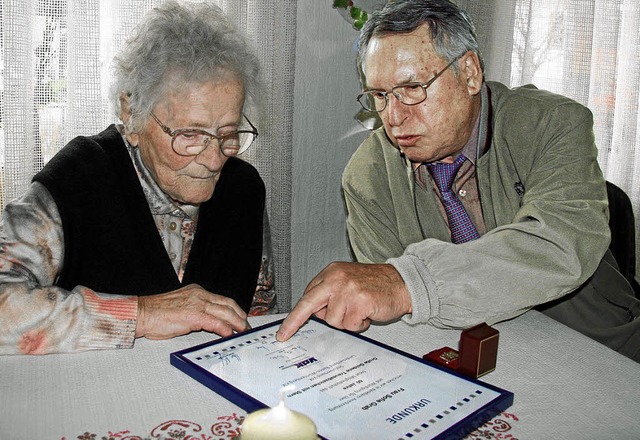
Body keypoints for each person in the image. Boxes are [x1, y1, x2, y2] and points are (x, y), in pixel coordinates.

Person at [278, 0, 640, 362]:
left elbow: (562, 245)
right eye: (380, 96)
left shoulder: (553, 124)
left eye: (412, 88)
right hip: (459, 355)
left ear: (469, 73)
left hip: (595, 350)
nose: (394, 117)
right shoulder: (367, 176)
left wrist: (410, 284)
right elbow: (399, 320)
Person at [0, 1, 274, 355]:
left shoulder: (243, 189)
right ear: (132, 115)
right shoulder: (78, 180)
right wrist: (141, 314)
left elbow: (260, 311)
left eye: (228, 131)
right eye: (189, 134)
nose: (213, 159)